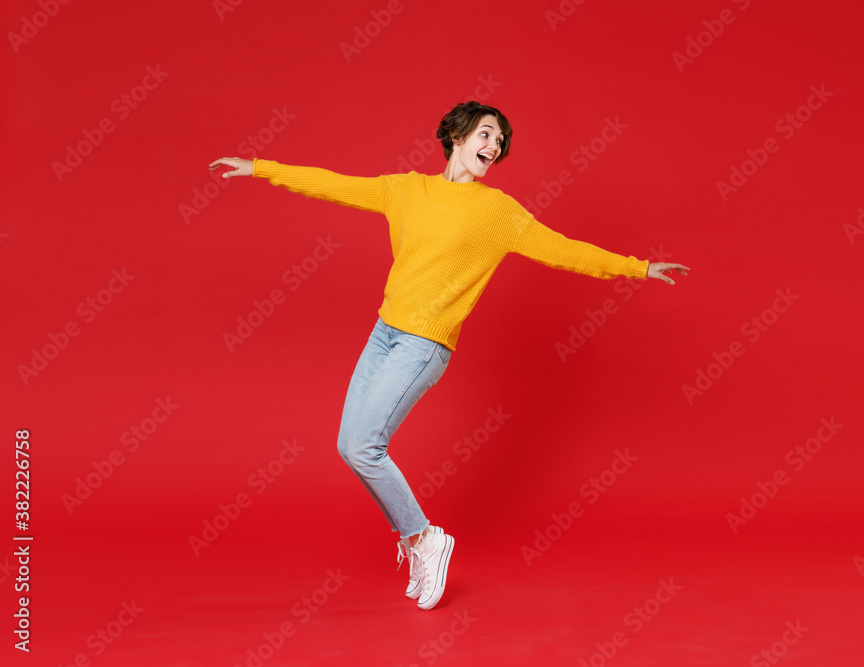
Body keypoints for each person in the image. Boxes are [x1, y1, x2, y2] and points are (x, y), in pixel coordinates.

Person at [209, 101, 689, 611]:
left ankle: (425, 539)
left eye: (500, 142)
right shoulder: (405, 190)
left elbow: (565, 249)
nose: (494, 146)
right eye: (486, 134)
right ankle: (419, 542)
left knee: (365, 446)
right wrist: (260, 168)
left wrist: (638, 268)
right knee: (350, 444)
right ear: (457, 137)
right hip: (384, 333)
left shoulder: (499, 213)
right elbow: (333, 183)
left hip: (424, 344)